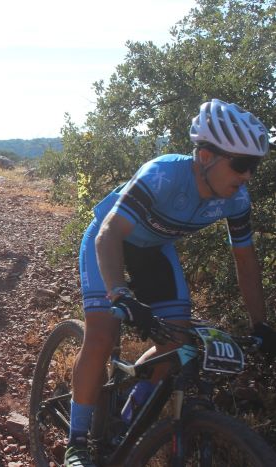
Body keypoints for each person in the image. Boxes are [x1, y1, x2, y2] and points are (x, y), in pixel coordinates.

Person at [66, 98, 276, 466]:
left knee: (176, 340)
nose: (247, 176)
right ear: (206, 156)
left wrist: (261, 324)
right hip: (111, 240)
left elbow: (245, 260)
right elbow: (109, 234)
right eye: (241, 164)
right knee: (101, 334)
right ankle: (77, 442)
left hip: (154, 249)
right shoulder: (162, 174)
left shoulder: (236, 199)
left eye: (254, 166)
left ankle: (124, 422)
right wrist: (121, 295)